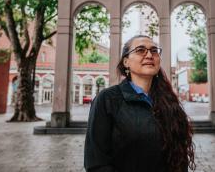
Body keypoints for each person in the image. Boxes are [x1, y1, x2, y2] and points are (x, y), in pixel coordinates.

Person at [84, 35, 195, 172]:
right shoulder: (107, 99)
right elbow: (96, 162)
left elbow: (179, 158)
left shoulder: (169, 102)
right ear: (126, 62)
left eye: (154, 51)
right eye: (140, 50)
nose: (149, 54)